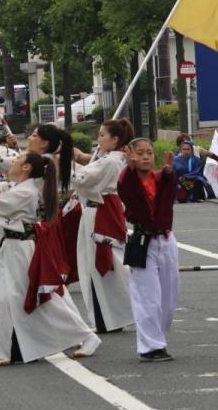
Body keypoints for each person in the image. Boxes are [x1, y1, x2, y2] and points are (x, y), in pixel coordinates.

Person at [0, 151, 100, 364]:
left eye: (18, 160)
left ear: (27, 168)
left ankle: (86, 335)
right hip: (12, 248)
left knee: (40, 299)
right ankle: (5, 349)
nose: (13, 163)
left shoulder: (27, 192)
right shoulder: (19, 187)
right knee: (6, 298)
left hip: (24, 250)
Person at [69, 119, 136, 334]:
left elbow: (84, 179)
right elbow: (88, 171)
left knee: (103, 265)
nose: (98, 140)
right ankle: (108, 317)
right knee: (98, 266)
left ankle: (112, 316)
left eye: (102, 135)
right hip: (97, 211)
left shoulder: (112, 161)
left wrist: (61, 165)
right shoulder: (110, 158)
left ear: (115, 139)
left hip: (100, 212)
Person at [117, 139, 180, 362]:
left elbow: (171, 192)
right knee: (147, 296)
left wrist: (170, 172)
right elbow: (124, 187)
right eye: (140, 153)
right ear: (130, 155)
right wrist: (129, 167)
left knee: (169, 297)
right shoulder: (128, 179)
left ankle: (159, 339)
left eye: (149, 153)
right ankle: (151, 346)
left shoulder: (161, 177)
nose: (145, 157)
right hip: (143, 241)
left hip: (166, 239)